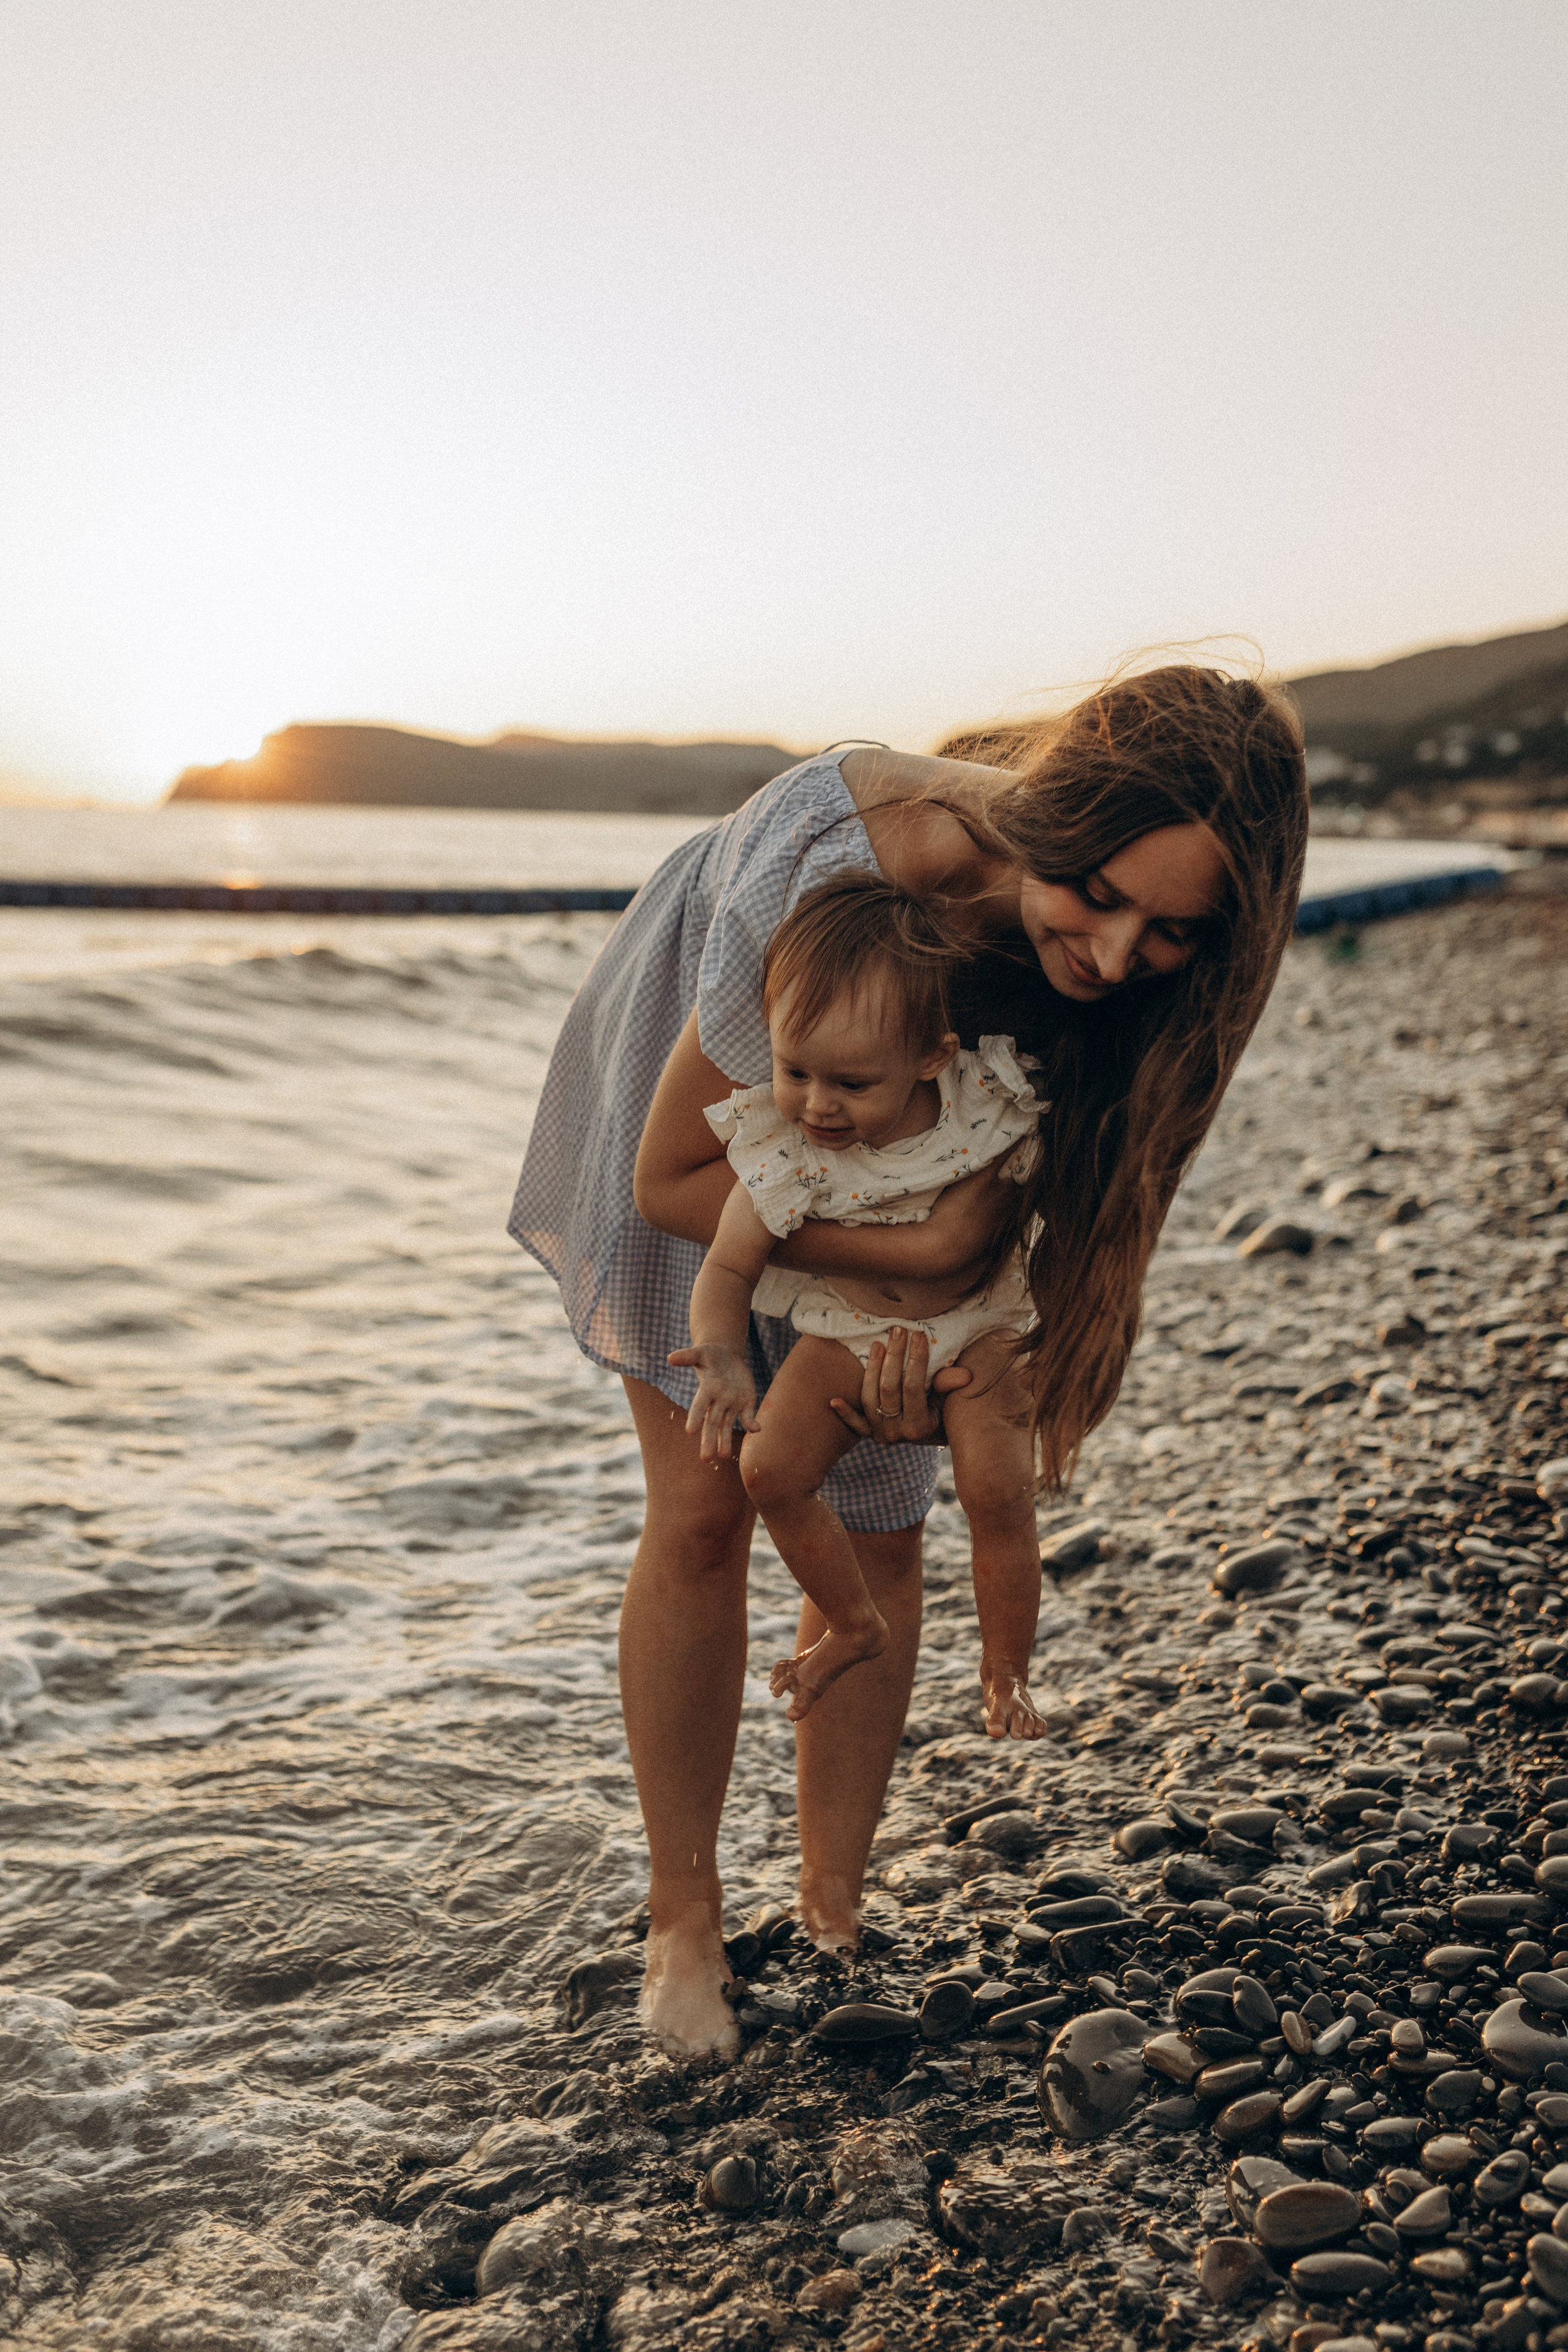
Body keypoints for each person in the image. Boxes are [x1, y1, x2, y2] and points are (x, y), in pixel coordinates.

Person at [509, 663, 1308, 2059]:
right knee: (705, 1505)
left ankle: (829, 1905)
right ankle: (681, 1920)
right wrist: (904, 1277)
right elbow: (675, 1177)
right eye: (1100, 897)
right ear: (1056, 822)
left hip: (902, 1173)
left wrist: (941, 1338)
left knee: (880, 1528)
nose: (1114, 957)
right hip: (715, 1127)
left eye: (1170, 932)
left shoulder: (1109, 986)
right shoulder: (846, 865)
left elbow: (1008, 1224)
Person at [669, 872, 1050, 1743]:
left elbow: (1069, 1200)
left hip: (982, 1325)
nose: (817, 1104)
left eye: (850, 1082)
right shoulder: (788, 1156)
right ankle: (851, 1621)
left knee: (999, 1490)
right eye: (793, 1070)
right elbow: (727, 1268)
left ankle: (1007, 1674)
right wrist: (722, 1356)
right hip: (848, 1333)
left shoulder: (985, 1108)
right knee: (767, 1471)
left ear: (930, 1056)